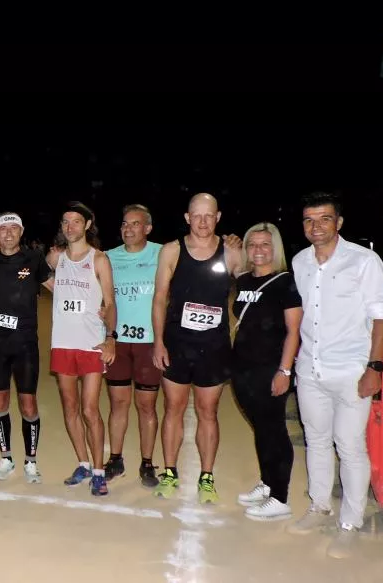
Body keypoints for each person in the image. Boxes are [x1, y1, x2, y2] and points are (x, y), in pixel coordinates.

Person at [286, 192, 383, 559]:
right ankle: (319, 507)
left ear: (339, 222)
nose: (316, 226)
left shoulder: (363, 261)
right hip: (310, 369)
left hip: (351, 371)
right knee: (317, 441)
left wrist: (374, 368)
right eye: (309, 220)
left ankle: (350, 523)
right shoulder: (300, 262)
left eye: (324, 219)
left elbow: (381, 315)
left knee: (349, 446)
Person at [151, 193, 244, 502]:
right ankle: (169, 473)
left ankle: (206, 477)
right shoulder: (171, 250)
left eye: (209, 215)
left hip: (214, 347)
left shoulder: (231, 252)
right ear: (187, 218)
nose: (203, 221)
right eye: (197, 215)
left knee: (208, 411)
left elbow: (251, 290)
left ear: (218, 217)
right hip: (177, 345)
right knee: (173, 409)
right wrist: (158, 342)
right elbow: (159, 298)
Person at [231, 222, 302, 521]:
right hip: (243, 367)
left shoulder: (286, 282)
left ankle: (280, 497)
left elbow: (293, 331)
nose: (258, 250)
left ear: (275, 248)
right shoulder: (244, 280)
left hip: (270, 368)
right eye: (252, 244)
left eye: (264, 244)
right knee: (260, 428)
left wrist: (284, 371)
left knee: (274, 430)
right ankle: (268, 482)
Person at [47, 203, 117, 497]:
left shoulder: (99, 259)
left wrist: (111, 337)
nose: (70, 227)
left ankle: (99, 472)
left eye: (76, 221)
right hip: (62, 343)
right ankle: (83, 464)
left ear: (87, 225)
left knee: (90, 409)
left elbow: (110, 302)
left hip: (90, 344)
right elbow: (50, 284)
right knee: (70, 407)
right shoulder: (55, 258)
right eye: (65, 222)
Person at [0, 213, 52, 483]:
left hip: (25, 343)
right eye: (3, 229)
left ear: (21, 232)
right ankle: (6, 458)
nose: (9, 233)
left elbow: (56, 287)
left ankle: (31, 462)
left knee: (28, 403)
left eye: (14, 228)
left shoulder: (34, 259)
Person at [105, 204, 163, 486]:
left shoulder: (163, 253)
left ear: (148, 228)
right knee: (118, 403)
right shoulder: (108, 257)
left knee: (146, 406)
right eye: (124, 224)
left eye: (135, 224)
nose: (128, 229)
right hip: (117, 343)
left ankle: (147, 463)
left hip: (148, 343)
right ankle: (115, 460)